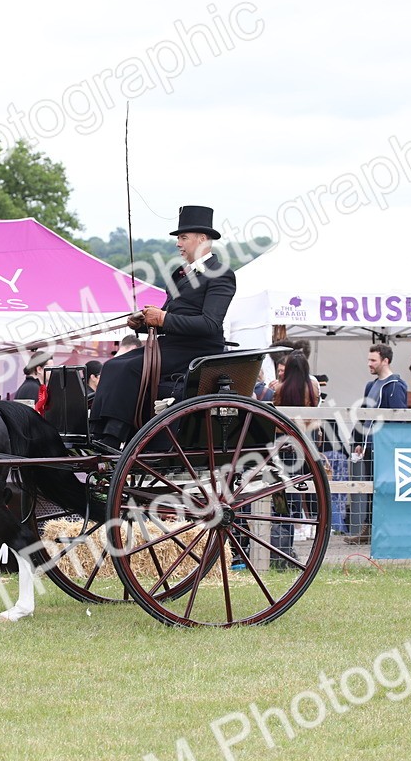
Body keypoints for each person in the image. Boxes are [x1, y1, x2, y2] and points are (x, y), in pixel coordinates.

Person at [90, 205, 237, 449]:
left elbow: (210, 324)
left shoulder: (221, 274)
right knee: (114, 364)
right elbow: (169, 316)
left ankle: (113, 437)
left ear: (202, 239)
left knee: (127, 368)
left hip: (197, 351)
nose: (178, 243)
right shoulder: (179, 275)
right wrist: (144, 323)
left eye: (183, 237)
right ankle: (98, 431)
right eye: (178, 238)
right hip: (170, 345)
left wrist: (162, 319)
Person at [346, 343, 408, 545]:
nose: (369, 364)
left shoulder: (396, 386)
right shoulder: (371, 386)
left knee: (383, 488)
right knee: (370, 488)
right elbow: (364, 415)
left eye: (373, 360)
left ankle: (382, 529)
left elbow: (398, 420)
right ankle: (369, 528)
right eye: (369, 360)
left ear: (385, 361)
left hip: (383, 446)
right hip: (369, 445)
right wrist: (359, 441)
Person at [268, 350, 320, 568]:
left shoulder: (278, 389)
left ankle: (277, 550)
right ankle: (287, 549)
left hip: (280, 445)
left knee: (278, 497)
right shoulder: (312, 389)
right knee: (296, 495)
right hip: (302, 445)